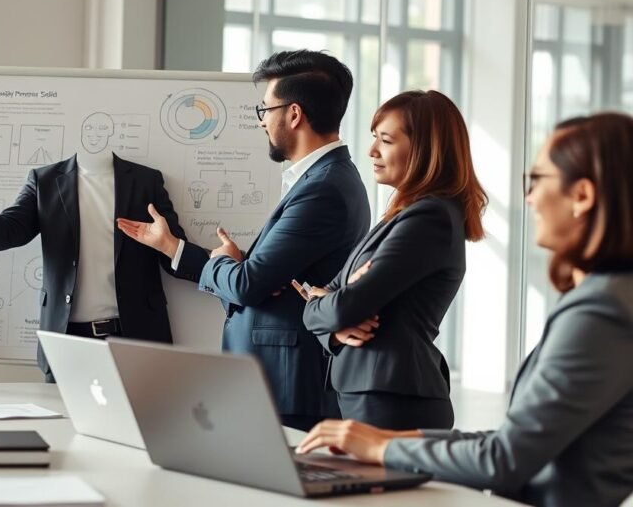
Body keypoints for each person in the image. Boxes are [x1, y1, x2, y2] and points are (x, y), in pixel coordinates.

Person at [297, 112, 633, 507]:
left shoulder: (601, 310)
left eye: (538, 180)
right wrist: (386, 440)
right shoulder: (609, 299)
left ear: (582, 196)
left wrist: (382, 448)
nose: (529, 196)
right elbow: (510, 441)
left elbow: (504, 459)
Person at [116, 50, 370, 431]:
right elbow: (257, 278)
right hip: (276, 380)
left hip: (288, 385)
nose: (262, 122)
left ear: (294, 114)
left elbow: (248, 284)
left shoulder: (324, 189)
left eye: (265, 110)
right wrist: (173, 247)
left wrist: (232, 267)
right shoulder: (321, 180)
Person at [0, 114, 188, 380]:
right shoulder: (45, 181)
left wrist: (177, 247)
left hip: (136, 339)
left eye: (101, 128)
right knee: (64, 422)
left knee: (144, 421)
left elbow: (176, 257)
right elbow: (1, 236)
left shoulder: (145, 181)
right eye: (89, 127)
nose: (94, 134)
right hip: (67, 341)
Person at [300, 90, 487, 430]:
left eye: (385, 140)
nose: (372, 151)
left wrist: (325, 302)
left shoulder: (429, 218)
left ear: (424, 150)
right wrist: (333, 327)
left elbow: (344, 305)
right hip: (374, 392)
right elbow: (336, 299)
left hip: (393, 399)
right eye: (375, 138)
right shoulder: (402, 214)